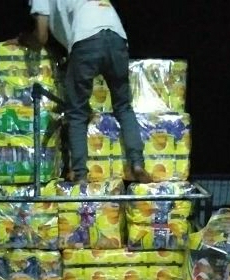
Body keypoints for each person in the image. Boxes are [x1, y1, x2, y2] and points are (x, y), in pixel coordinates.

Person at [13, 0, 152, 183]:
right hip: (117, 36)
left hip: (86, 39)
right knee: (123, 106)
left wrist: (22, 40)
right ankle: (137, 164)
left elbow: (41, 37)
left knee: (77, 112)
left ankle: (79, 173)